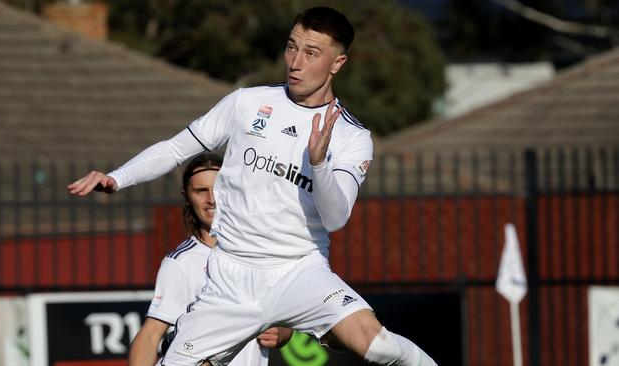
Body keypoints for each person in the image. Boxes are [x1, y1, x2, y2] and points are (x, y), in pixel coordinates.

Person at [69, 6, 437, 366]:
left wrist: (320, 163)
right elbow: (176, 148)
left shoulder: (351, 137)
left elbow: (336, 217)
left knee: (379, 347)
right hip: (230, 277)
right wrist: (117, 178)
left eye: (311, 53)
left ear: (337, 64)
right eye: (292, 46)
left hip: (299, 272)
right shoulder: (248, 103)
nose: (295, 61)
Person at [128, 153, 292, 366]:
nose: (211, 199)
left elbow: (286, 320)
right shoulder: (181, 262)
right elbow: (150, 335)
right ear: (187, 196)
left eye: (218, 187)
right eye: (200, 190)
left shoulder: (262, 250)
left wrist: (282, 333)